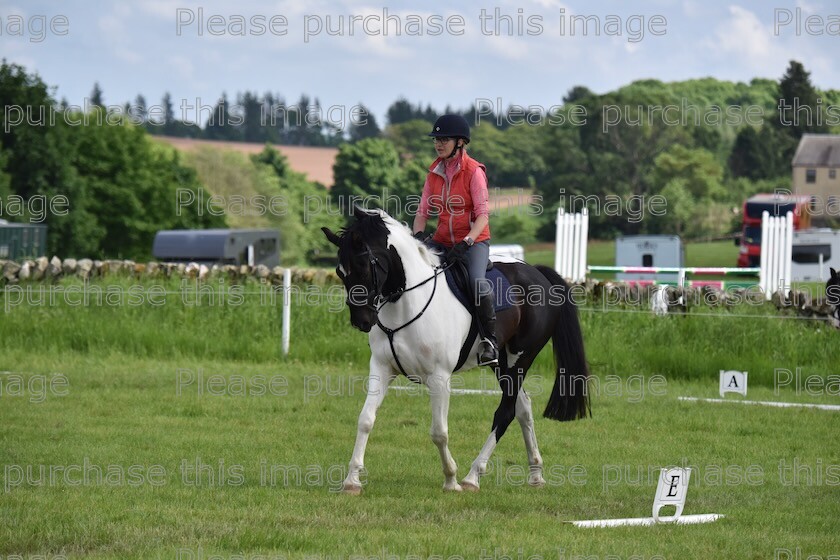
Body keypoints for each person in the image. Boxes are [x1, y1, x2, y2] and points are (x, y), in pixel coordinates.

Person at [412, 114, 499, 366]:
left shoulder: (474, 172)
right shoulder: (433, 173)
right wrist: (418, 239)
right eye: (436, 139)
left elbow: (483, 216)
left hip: (473, 242)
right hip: (441, 240)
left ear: (460, 142)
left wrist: (467, 242)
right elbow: (422, 213)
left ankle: (489, 342)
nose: (439, 144)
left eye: (444, 139)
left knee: (476, 282)